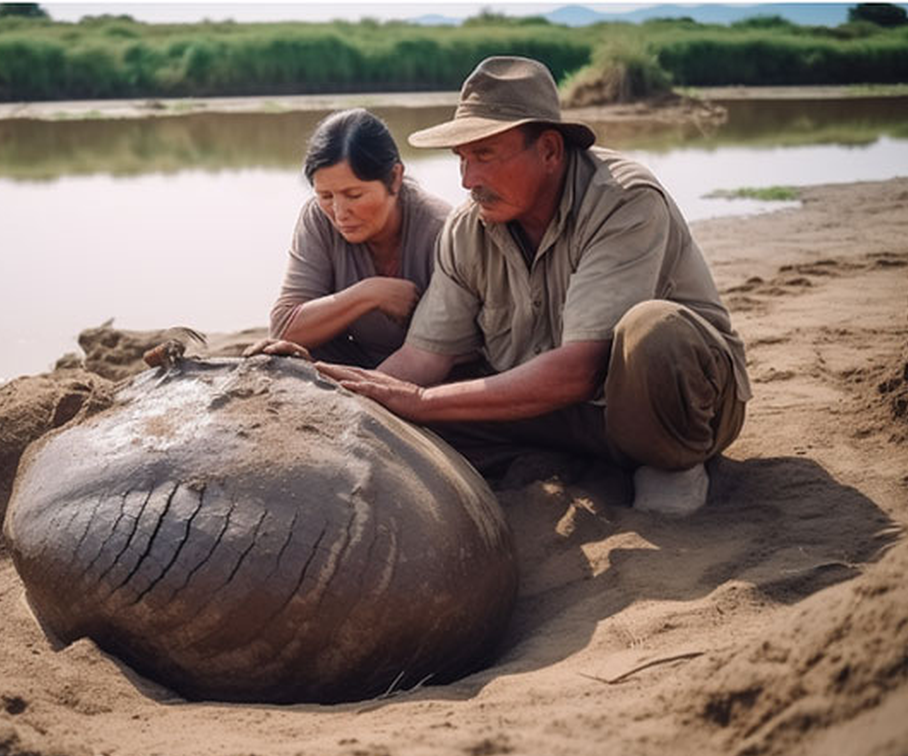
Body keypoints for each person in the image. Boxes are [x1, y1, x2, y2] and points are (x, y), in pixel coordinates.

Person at [314, 57, 752, 514]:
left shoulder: (624, 201)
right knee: (419, 400)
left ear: (549, 150)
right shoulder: (469, 228)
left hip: (661, 409)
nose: (468, 181)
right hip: (554, 414)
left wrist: (422, 401)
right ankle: (562, 456)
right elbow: (425, 356)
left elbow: (581, 368)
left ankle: (671, 463)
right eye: (462, 159)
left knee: (653, 330)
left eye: (484, 155)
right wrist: (356, 406)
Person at [266, 108, 451, 368]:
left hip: (432, 371)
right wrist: (369, 293)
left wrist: (367, 388)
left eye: (354, 195)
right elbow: (284, 328)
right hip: (359, 361)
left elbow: (438, 352)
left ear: (395, 178)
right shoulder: (318, 218)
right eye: (326, 196)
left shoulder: (441, 230)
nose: (340, 214)